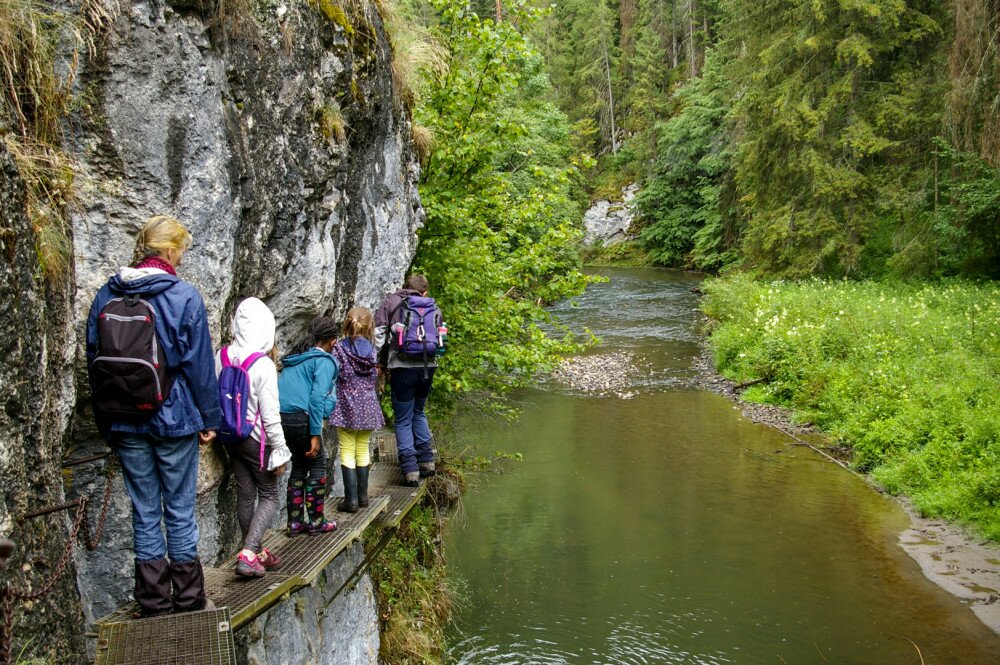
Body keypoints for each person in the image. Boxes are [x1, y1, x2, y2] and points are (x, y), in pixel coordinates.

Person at [86, 215, 220, 617]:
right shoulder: (183, 296)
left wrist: (106, 421)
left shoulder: (104, 294)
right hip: (173, 416)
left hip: (125, 418)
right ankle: (190, 600)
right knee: (178, 510)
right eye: (181, 249)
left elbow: (95, 360)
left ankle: (154, 603)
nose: (181, 257)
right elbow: (198, 365)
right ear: (168, 250)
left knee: (144, 512)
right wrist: (209, 418)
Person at [215, 298, 291, 578]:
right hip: (256, 439)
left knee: (245, 494)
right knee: (269, 495)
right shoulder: (262, 365)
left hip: (230, 435)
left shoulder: (222, 356)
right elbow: (270, 414)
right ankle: (248, 554)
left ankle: (256, 550)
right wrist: (279, 450)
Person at [375, 274, 443, 486]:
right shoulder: (433, 307)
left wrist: (378, 360)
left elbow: (379, 335)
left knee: (403, 418)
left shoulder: (392, 302)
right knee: (418, 412)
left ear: (405, 287)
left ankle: (410, 470)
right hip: (427, 367)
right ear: (425, 292)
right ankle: (427, 462)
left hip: (402, 367)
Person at [278, 317, 340, 535]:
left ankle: (294, 523)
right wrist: (315, 433)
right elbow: (316, 399)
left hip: (282, 418)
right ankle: (316, 521)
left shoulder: (296, 359)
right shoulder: (323, 361)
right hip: (302, 417)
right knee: (317, 462)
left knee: (299, 464)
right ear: (333, 341)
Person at [330, 307, 385, 512]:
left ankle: (350, 500)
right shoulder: (371, 351)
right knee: (362, 448)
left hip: (346, 404)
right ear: (368, 325)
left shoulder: (339, 349)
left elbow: (335, 375)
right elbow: (373, 377)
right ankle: (363, 498)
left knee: (347, 449)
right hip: (368, 404)